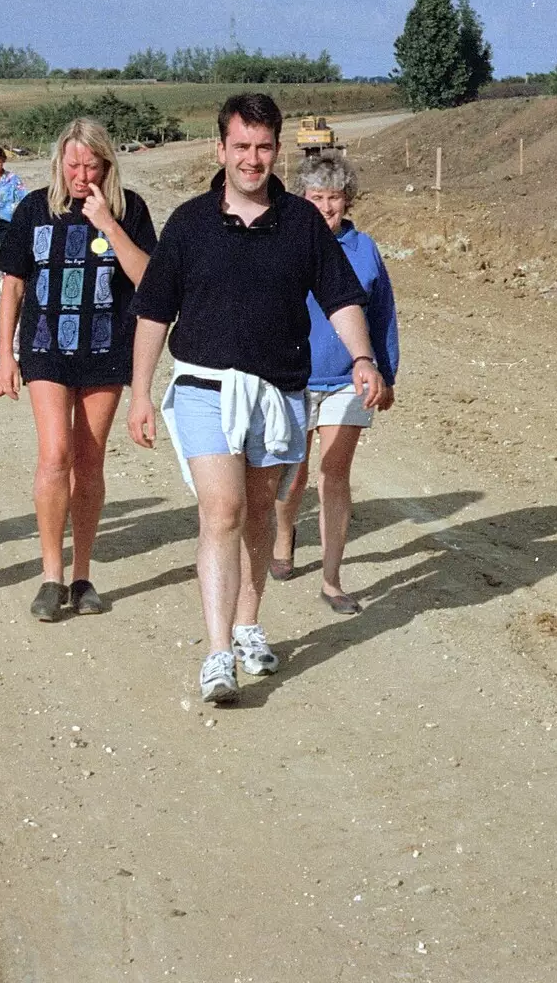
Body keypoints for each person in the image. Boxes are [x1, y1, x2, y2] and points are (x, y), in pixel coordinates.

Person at [126, 93, 387, 704]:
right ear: (220, 149)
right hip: (203, 386)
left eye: (263, 147)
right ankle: (217, 655)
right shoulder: (188, 222)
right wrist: (140, 392)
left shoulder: (300, 222)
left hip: (279, 392)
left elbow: (340, 296)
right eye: (241, 146)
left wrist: (364, 358)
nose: (252, 158)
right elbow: (153, 312)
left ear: (277, 151)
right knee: (221, 511)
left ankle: (246, 624)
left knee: (258, 514)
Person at [0, 117, 157, 621]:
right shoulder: (32, 209)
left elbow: (148, 280)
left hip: (106, 351)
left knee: (89, 462)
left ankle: (82, 575)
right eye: (73, 164)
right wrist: (6, 356)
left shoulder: (130, 210)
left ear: (107, 164)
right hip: (45, 350)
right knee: (55, 455)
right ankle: (50, 577)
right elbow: (13, 287)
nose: (81, 173)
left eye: (91, 164)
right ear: (58, 162)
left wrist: (107, 222)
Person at [271, 153, 400, 614]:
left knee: (333, 476)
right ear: (300, 199)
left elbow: (382, 314)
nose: (326, 207)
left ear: (349, 201)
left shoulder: (365, 249)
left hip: (348, 380)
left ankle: (331, 578)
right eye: (317, 197)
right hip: (291, 377)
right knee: (294, 470)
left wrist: (386, 372)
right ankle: (284, 536)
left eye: (335, 198)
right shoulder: (284, 241)